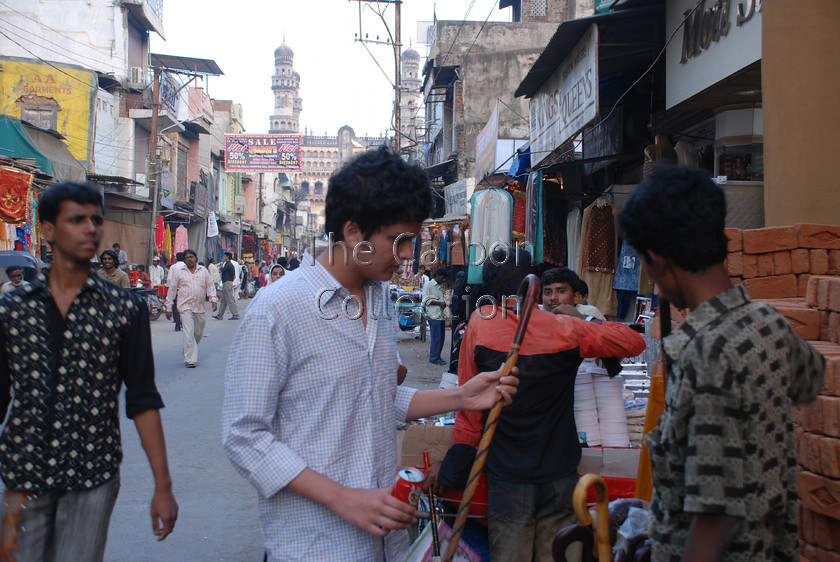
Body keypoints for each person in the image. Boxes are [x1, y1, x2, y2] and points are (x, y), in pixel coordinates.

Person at [221, 147, 520, 561]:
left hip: (385, 543)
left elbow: (375, 395)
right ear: (353, 232)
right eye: (399, 241)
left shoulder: (378, 302)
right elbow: (244, 436)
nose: (406, 256)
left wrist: (462, 397)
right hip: (314, 545)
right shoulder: (277, 309)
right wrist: (342, 498)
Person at [617, 167, 825, 560]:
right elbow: (808, 382)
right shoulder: (769, 324)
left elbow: (716, 516)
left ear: (659, 259)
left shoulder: (707, 353)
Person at [429, 247, 646, 562]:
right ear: (535, 284)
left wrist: (452, 468)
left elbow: (470, 411)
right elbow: (634, 341)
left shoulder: (480, 323)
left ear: (488, 286)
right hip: (560, 472)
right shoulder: (564, 327)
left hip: (507, 475)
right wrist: (582, 316)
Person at [0, 183, 177, 559]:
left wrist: (163, 485)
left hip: (92, 474)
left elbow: (142, 398)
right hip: (23, 471)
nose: (91, 229)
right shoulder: (13, 310)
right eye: (77, 220)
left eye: (96, 220)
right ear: (47, 229)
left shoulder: (124, 309)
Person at [165, 249, 217, 368]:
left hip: (199, 307)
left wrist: (213, 299)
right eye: (187, 257)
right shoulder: (179, 272)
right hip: (184, 306)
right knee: (188, 332)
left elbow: (210, 285)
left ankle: (187, 349)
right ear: (184, 260)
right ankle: (190, 360)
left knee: (197, 333)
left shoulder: (203, 271)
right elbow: (172, 289)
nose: (189, 259)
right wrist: (168, 307)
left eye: (191, 257)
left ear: (196, 258)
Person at [422, 268, 449, 365]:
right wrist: (439, 303)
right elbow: (426, 301)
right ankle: (434, 358)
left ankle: (437, 356)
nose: (443, 280)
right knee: (436, 338)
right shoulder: (428, 285)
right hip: (433, 315)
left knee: (441, 338)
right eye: (442, 278)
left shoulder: (440, 286)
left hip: (440, 315)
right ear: (437, 275)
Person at [214, 252, 240, 320]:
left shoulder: (228, 265)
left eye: (224, 256)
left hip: (227, 283)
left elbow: (220, 270)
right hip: (227, 282)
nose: (223, 258)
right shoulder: (230, 265)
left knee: (229, 299)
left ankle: (235, 314)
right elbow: (234, 276)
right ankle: (220, 315)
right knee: (224, 300)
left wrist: (222, 263)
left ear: (227, 257)